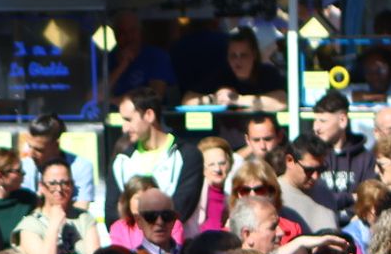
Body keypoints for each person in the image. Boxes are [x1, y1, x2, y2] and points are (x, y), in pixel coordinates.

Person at [107, 87, 204, 224]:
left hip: (176, 238)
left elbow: (181, 209)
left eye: (129, 119)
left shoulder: (187, 156)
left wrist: (151, 230)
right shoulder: (121, 160)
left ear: (149, 115)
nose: (124, 127)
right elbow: (112, 216)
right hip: (130, 239)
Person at [310, 91, 376, 219]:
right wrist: (349, 197)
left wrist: (349, 216)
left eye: (322, 121)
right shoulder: (311, 156)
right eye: (315, 120)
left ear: (342, 120)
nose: (316, 127)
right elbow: (311, 198)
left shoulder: (365, 159)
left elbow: (368, 199)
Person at [186, 26, 285, 108]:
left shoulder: (267, 73)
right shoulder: (221, 74)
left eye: (243, 55)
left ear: (254, 55)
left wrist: (236, 99)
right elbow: (188, 101)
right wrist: (215, 98)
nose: (238, 61)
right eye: (233, 56)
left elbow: (282, 101)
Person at [19, 113, 95, 209]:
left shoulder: (81, 167)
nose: (30, 154)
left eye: (39, 150)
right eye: (29, 146)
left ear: (56, 145)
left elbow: (81, 208)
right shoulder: (23, 167)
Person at [279, 136, 340, 231]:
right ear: (289, 161)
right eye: (309, 170)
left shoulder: (325, 192)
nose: (315, 176)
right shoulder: (274, 194)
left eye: (320, 169)